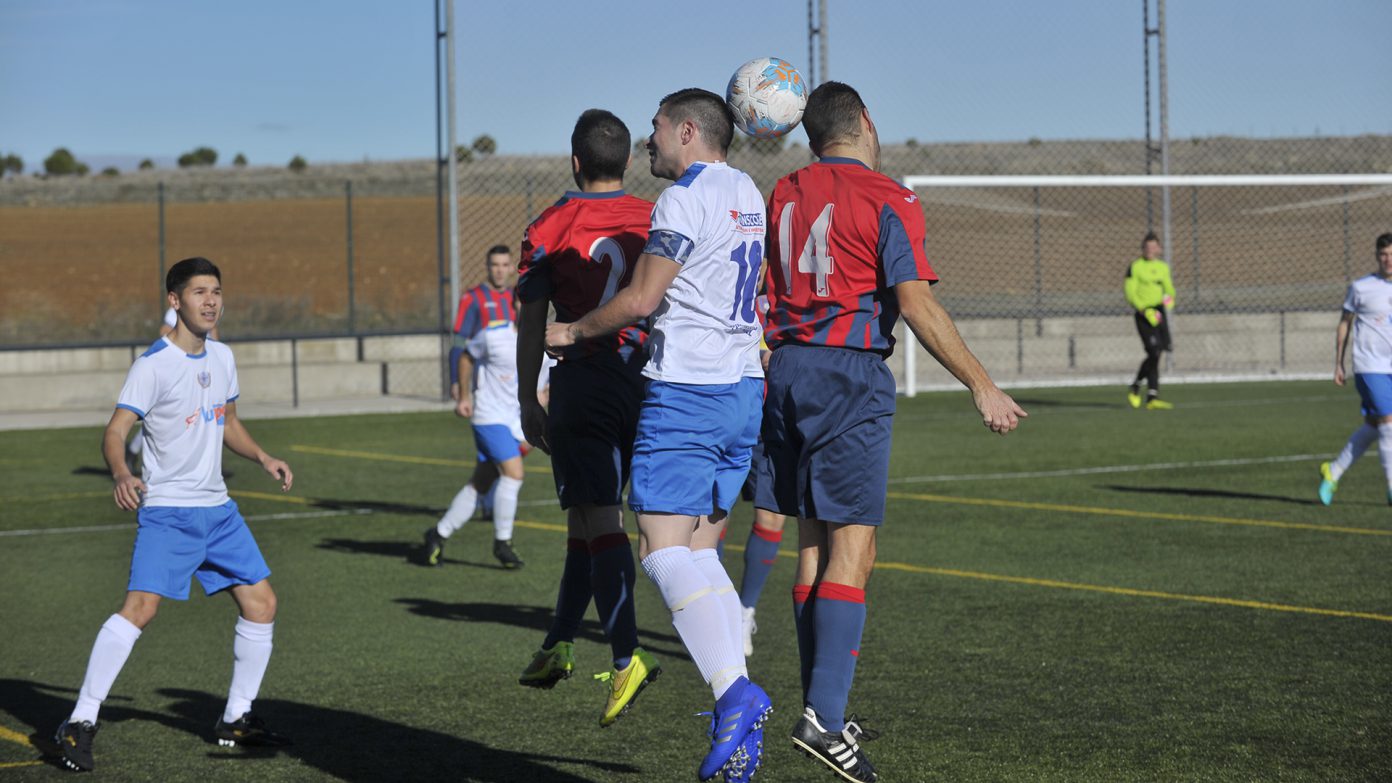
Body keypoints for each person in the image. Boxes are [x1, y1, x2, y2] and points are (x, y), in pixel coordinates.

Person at [758, 82, 1026, 783]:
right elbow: (916, 303)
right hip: (847, 376)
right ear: (867, 123)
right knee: (855, 545)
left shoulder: (784, 190)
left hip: (784, 372)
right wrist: (981, 381)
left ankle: (826, 704)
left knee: (815, 544)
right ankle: (822, 716)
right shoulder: (889, 197)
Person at [545, 88, 771, 783]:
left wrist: (572, 330)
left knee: (661, 552)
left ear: (686, 130)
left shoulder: (682, 199)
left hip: (689, 393)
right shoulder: (749, 191)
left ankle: (736, 693)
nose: (648, 143)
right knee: (700, 548)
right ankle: (738, 717)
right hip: (741, 391)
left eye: (655, 131)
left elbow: (643, 299)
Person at [54, 257, 295, 773]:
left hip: (219, 511)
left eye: (217, 291)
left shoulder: (224, 357)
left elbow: (227, 421)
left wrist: (263, 456)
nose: (211, 301)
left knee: (261, 603)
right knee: (140, 608)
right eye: (199, 292)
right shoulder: (153, 365)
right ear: (174, 301)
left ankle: (236, 718)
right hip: (169, 512)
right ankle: (79, 721)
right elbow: (115, 432)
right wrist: (122, 474)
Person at [513, 108, 661, 726]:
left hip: (584, 384)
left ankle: (627, 656)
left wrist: (527, 397)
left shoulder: (550, 224)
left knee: (599, 517)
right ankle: (559, 643)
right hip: (650, 383)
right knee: (586, 517)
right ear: (628, 161)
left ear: (575, 161)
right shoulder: (657, 217)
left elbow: (530, 320)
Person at [421, 245, 527, 569]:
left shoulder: (538, 338)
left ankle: (438, 533)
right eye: (494, 264)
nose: (499, 270)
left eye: (504, 264)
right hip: (489, 410)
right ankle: (502, 542)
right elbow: (462, 348)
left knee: (483, 479)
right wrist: (460, 389)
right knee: (513, 472)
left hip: (518, 417)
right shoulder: (486, 320)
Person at [1318, 232, 1392, 506]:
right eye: (1384, 255)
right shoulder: (1361, 287)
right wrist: (1338, 362)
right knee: (1388, 423)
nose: (1388, 260)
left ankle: (1333, 471)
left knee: (1374, 425)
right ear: (1376, 256)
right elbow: (1344, 323)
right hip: (1369, 365)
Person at [1124, 232, 1176, 410]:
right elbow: (1130, 292)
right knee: (1153, 351)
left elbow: (1169, 288)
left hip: (1159, 312)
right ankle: (1137, 385)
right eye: (1147, 247)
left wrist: (1170, 299)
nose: (1150, 250)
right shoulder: (1135, 267)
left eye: (1153, 247)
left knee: (1160, 351)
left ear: (1159, 249)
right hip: (1143, 313)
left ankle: (1152, 396)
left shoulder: (1163, 267)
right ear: (1142, 248)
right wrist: (1144, 310)